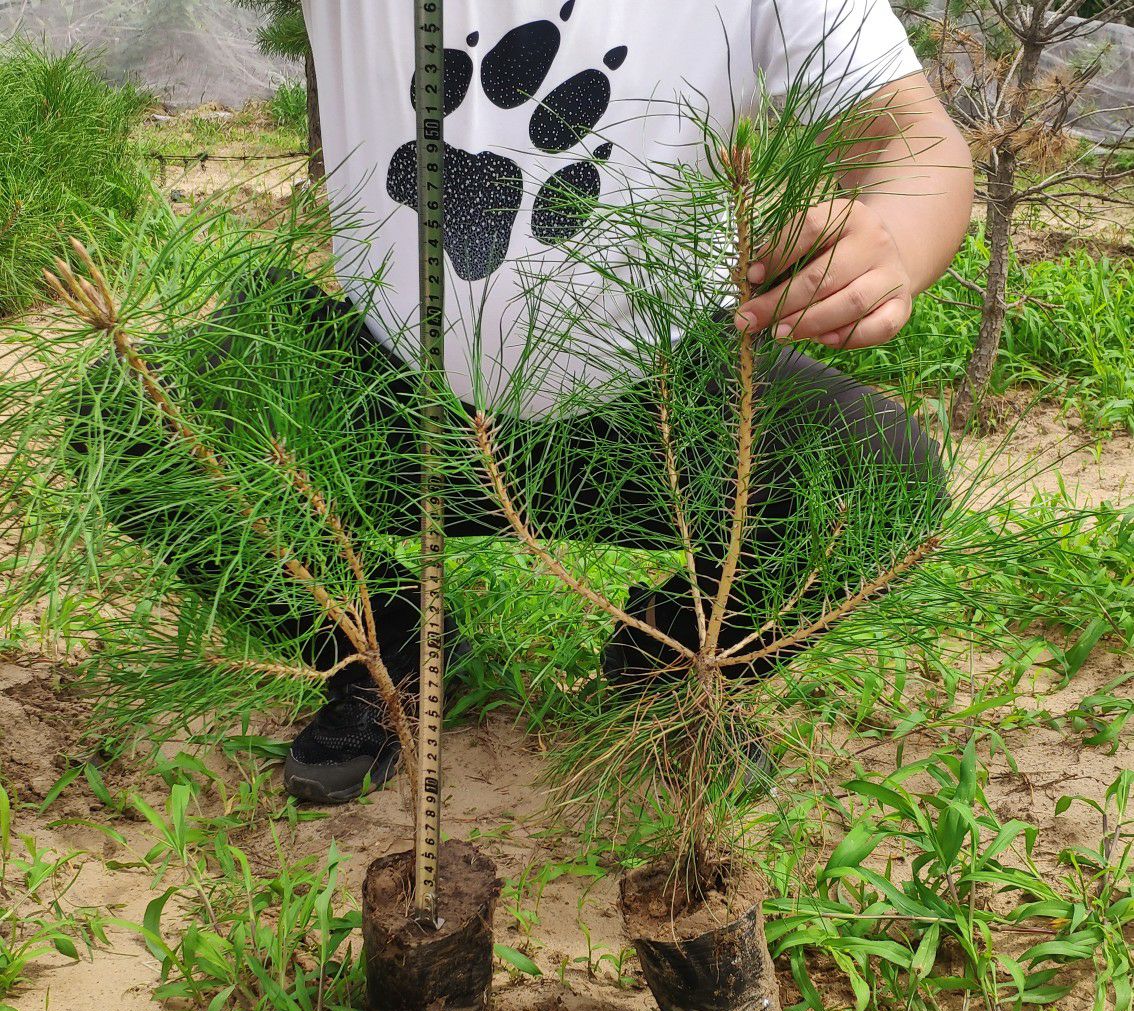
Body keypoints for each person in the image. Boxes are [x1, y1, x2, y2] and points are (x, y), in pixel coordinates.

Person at [104, 1, 976, 804]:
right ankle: (391, 656)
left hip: (664, 410)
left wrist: (888, 237)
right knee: (136, 416)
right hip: (393, 400)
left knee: (880, 470)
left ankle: (671, 662)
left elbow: (908, 136)